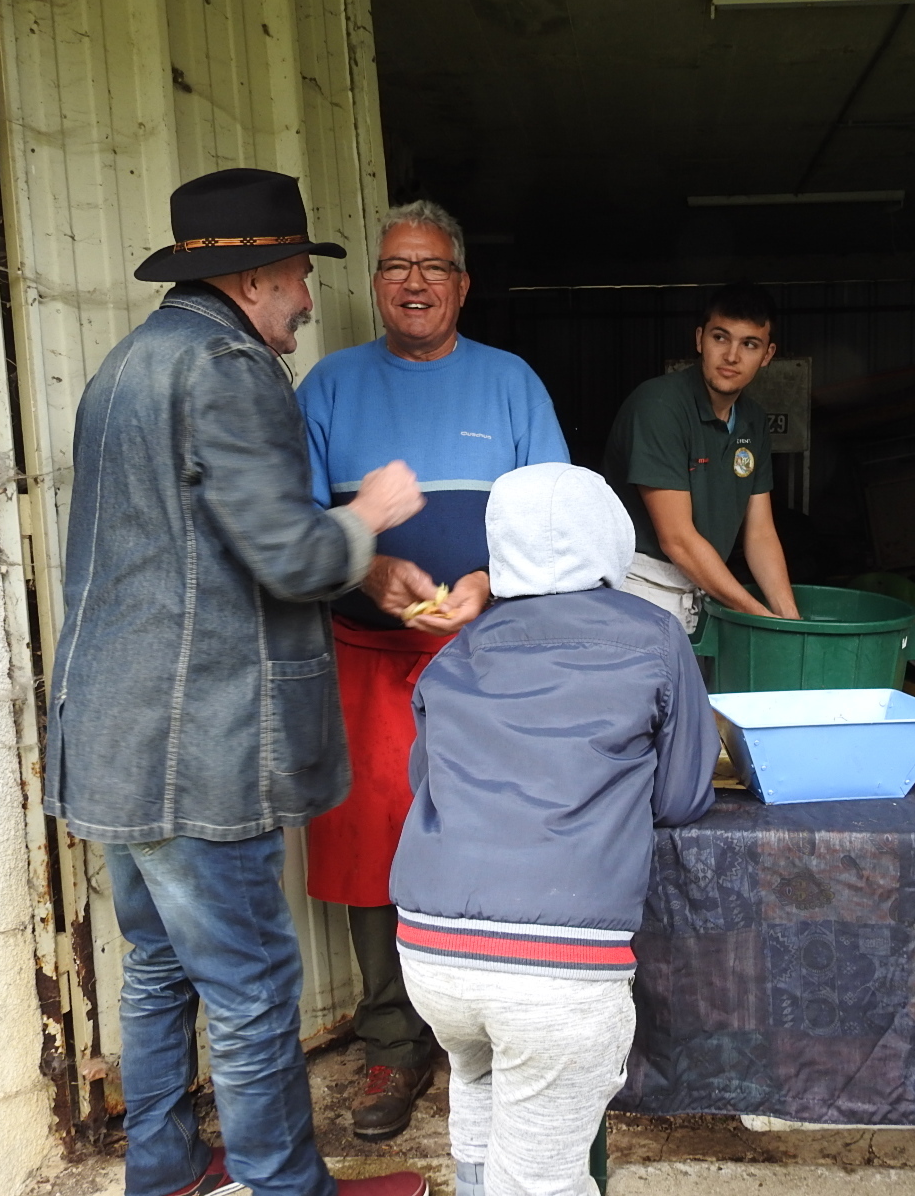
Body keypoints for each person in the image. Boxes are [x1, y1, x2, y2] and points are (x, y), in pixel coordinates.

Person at [44, 168, 428, 1196]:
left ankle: (167, 1167)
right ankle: (284, 1185)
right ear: (257, 277)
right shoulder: (228, 366)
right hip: (198, 741)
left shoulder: (128, 365)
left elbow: (192, 548)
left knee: (161, 966)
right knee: (254, 985)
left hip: (119, 732)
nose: (306, 299)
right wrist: (371, 514)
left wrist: (353, 551)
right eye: (299, 274)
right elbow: (290, 558)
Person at [295, 199, 569, 1139]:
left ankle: (495, 1034)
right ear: (375, 283)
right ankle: (393, 1043)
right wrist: (365, 566)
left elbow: (557, 516)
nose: (413, 282)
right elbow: (291, 525)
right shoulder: (330, 386)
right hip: (364, 656)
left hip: (486, 656)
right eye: (395, 267)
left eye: (432, 267)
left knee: (495, 833)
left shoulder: (511, 383)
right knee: (374, 839)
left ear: (462, 283)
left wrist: (492, 579)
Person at [391, 463, 719, 1196]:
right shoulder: (655, 635)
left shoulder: (457, 650)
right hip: (555, 972)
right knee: (543, 1181)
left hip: (432, 956)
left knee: (479, 1093)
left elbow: (428, 786)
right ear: (611, 538)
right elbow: (681, 795)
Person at [603, 282, 800, 632]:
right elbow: (677, 539)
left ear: (767, 354)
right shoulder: (659, 407)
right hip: (640, 592)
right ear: (700, 339)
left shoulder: (752, 420)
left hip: (704, 589)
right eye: (720, 337)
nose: (732, 356)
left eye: (749, 344)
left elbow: (759, 533)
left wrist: (790, 621)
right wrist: (758, 616)